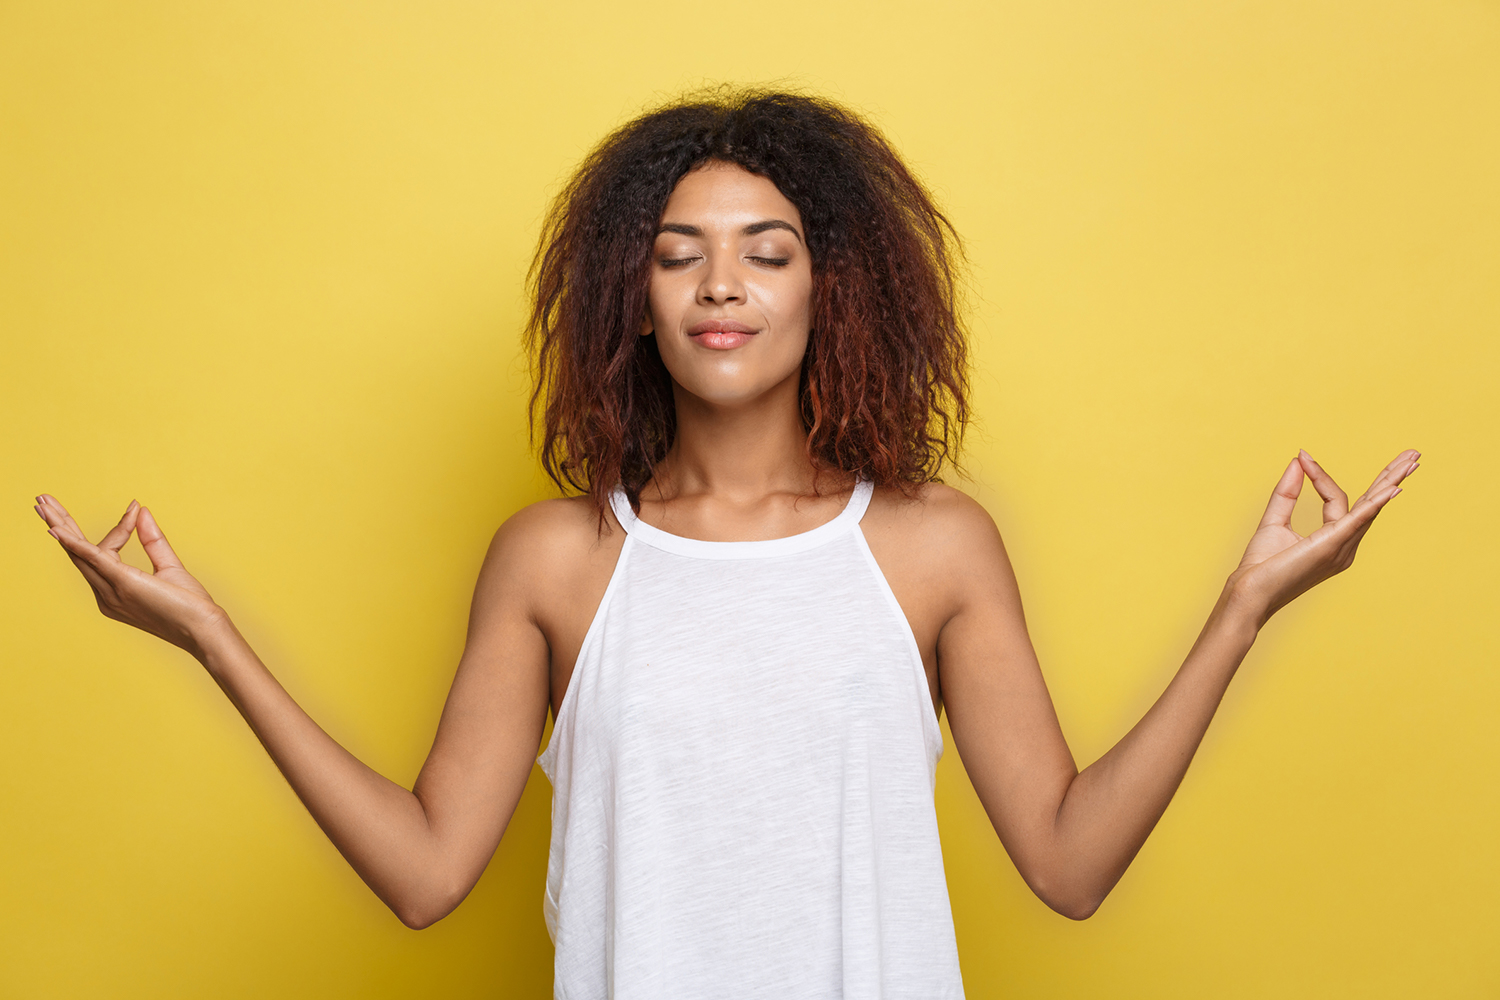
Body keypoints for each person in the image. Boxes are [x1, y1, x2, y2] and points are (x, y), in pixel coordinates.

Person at [34, 90, 1417, 998]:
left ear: (831, 288)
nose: (722, 285)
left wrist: (1242, 615)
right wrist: (211, 640)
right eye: (680, 252)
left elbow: (1067, 864)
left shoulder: (932, 547)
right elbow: (423, 875)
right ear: (631, 298)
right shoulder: (556, 561)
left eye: (767, 250)